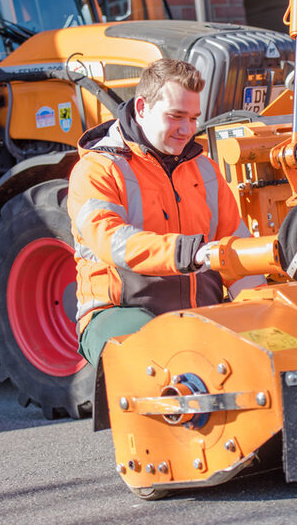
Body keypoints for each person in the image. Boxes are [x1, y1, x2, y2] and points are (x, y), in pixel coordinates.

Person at [67, 58, 263, 366]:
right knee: (165, 361)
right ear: (143, 108)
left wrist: (262, 311)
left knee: (271, 350)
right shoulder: (97, 170)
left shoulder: (205, 170)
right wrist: (188, 252)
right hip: (120, 311)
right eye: (176, 116)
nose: (187, 129)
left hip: (201, 313)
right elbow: (111, 241)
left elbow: (234, 246)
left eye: (194, 118)